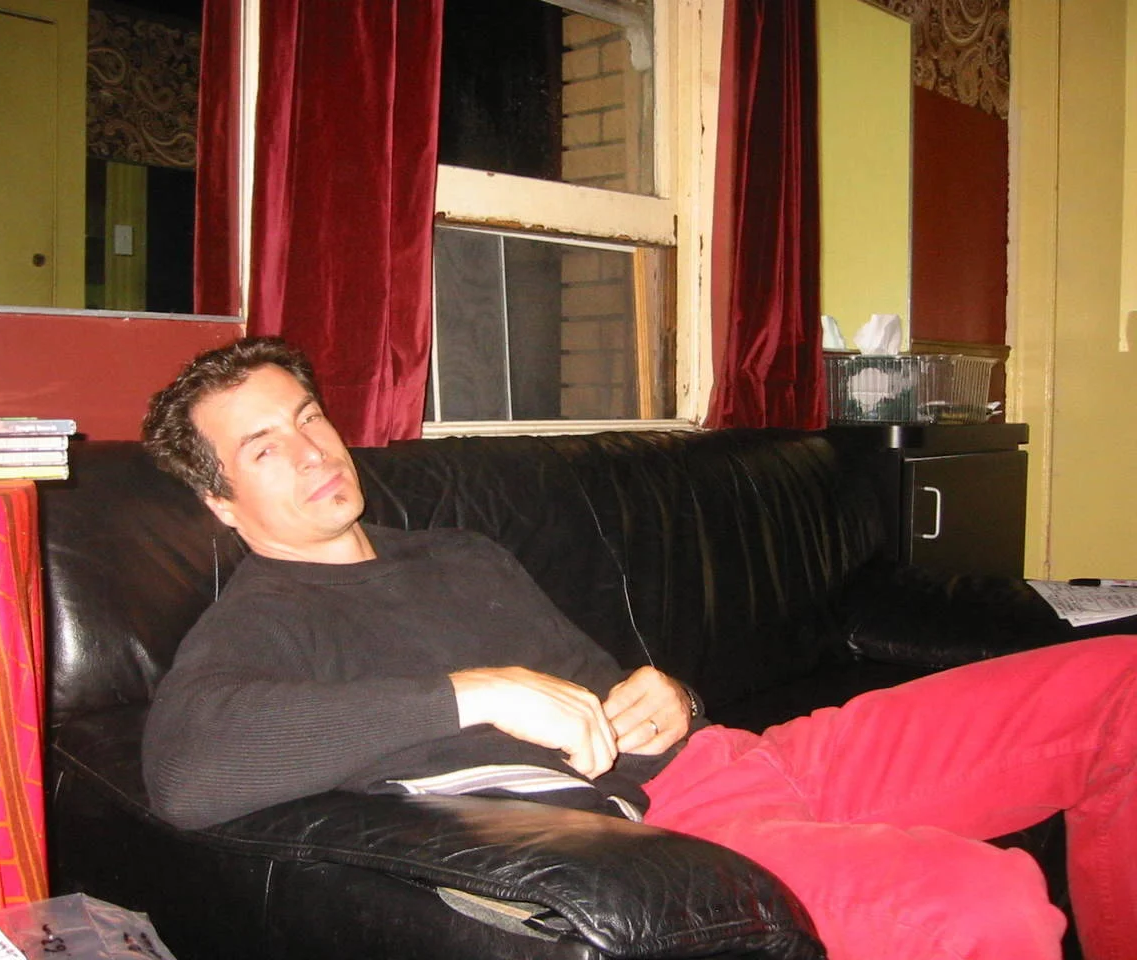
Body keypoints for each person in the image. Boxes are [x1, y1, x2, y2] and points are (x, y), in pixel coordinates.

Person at [140, 336, 1136, 960]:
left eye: (309, 417)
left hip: (750, 757)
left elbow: (613, 696)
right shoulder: (265, 618)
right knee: (978, 905)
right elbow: (185, 771)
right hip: (677, 835)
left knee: (1119, 685)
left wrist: (674, 697)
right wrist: (475, 692)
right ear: (221, 502)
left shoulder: (458, 551)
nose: (312, 452)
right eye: (264, 448)